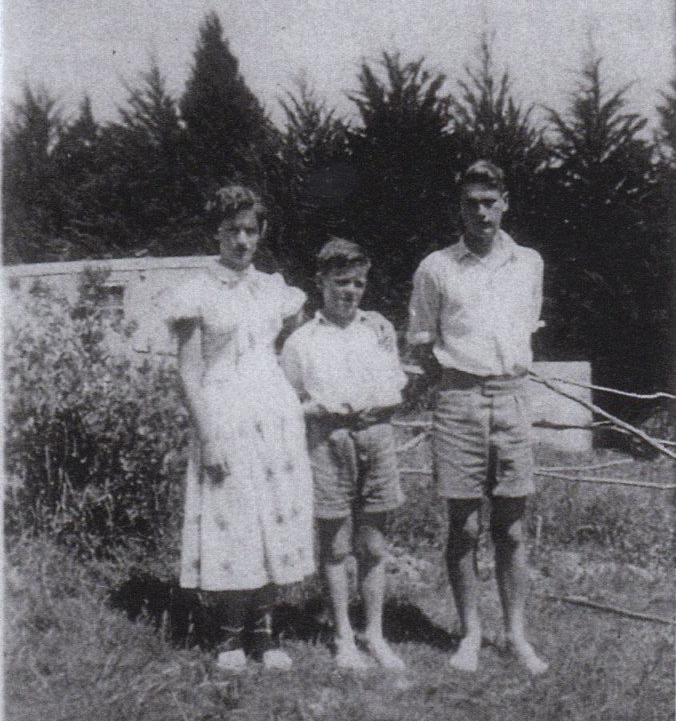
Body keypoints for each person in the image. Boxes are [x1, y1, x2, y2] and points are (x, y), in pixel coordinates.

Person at [165, 185, 314, 672]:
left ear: (262, 233)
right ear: (217, 232)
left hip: (273, 413)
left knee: (271, 516)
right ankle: (229, 636)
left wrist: (372, 320)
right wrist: (208, 435)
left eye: (251, 230)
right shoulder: (197, 289)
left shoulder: (275, 288)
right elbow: (188, 370)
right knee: (233, 515)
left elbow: (309, 339)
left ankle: (266, 633)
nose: (242, 240)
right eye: (233, 230)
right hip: (223, 411)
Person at [407, 160, 548, 675]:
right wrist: (452, 384)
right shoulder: (437, 267)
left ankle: (516, 636)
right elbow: (421, 340)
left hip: (513, 396)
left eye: (490, 202)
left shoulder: (528, 263)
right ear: (459, 208)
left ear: (505, 202)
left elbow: (525, 328)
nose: (482, 212)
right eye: (472, 203)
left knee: (511, 528)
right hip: (459, 400)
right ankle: (470, 633)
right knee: (464, 526)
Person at [281, 239, 408, 672]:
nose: (349, 291)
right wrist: (315, 410)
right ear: (320, 283)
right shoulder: (301, 341)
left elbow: (395, 389)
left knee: (373, 543)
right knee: (335, 545)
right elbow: (287, 402)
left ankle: (374, 632)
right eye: (340, 282)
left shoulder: (378, 331)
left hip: (375, 436)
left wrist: (380, 408)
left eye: (357, 283)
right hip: (327, 440)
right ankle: (342, 636)